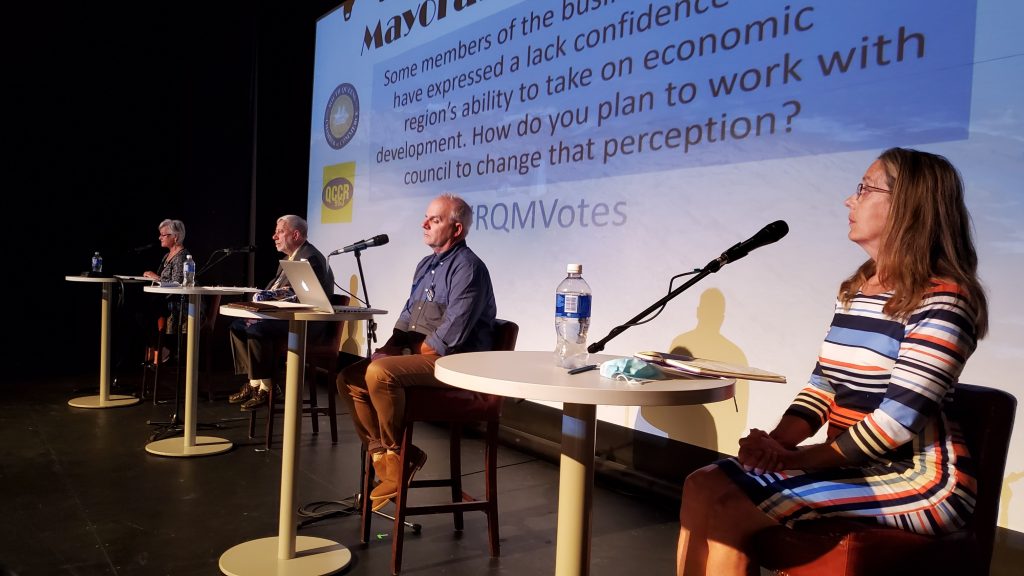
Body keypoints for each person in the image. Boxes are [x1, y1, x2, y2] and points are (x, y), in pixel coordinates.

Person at [675, 147, 989, 575]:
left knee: (732, 503)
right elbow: (824, 384)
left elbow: (898, 420)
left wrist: (796, 459)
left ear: (908, 206)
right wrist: (776, 444)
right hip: (852, 464)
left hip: (920, 481)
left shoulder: (944, 300)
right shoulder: (858, 288)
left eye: (864, 189)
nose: (849, 200)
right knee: (702, 483)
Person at [337, 193, 496, 511]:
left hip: (456, 365)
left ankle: (398, 458)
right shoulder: (426, 265)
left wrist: (399, 355)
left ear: (457, 229)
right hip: (425, 357)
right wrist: (390, 347)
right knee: (349, 378)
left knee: (380, 373)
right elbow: (408, 316)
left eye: (434, 220)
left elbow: (449, 338)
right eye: (426, 217)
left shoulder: (469, 269)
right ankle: (392, 460)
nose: (424, 224)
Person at [227, 215, 334, 411]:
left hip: (306, 324)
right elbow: (275, 288)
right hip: (285, 319)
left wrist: (267, 298)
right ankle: (256, 383)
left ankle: (267, 387)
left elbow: (301, 297)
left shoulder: (310, 257)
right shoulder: (288, 259)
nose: (274, 236)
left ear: (296, 234)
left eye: (280, 232)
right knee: (238, 326)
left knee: (256, 328)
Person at [138, 219, 190, 361]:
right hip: (163, 299)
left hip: (176, 302)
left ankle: (162, 349)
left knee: (144, 313)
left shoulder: (183, 256)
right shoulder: (166, 256)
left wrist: (157, 278)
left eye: (163, 235)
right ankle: (158, 349)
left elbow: (178, 283)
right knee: (138, 311)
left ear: (175, 237)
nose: (159, 237)